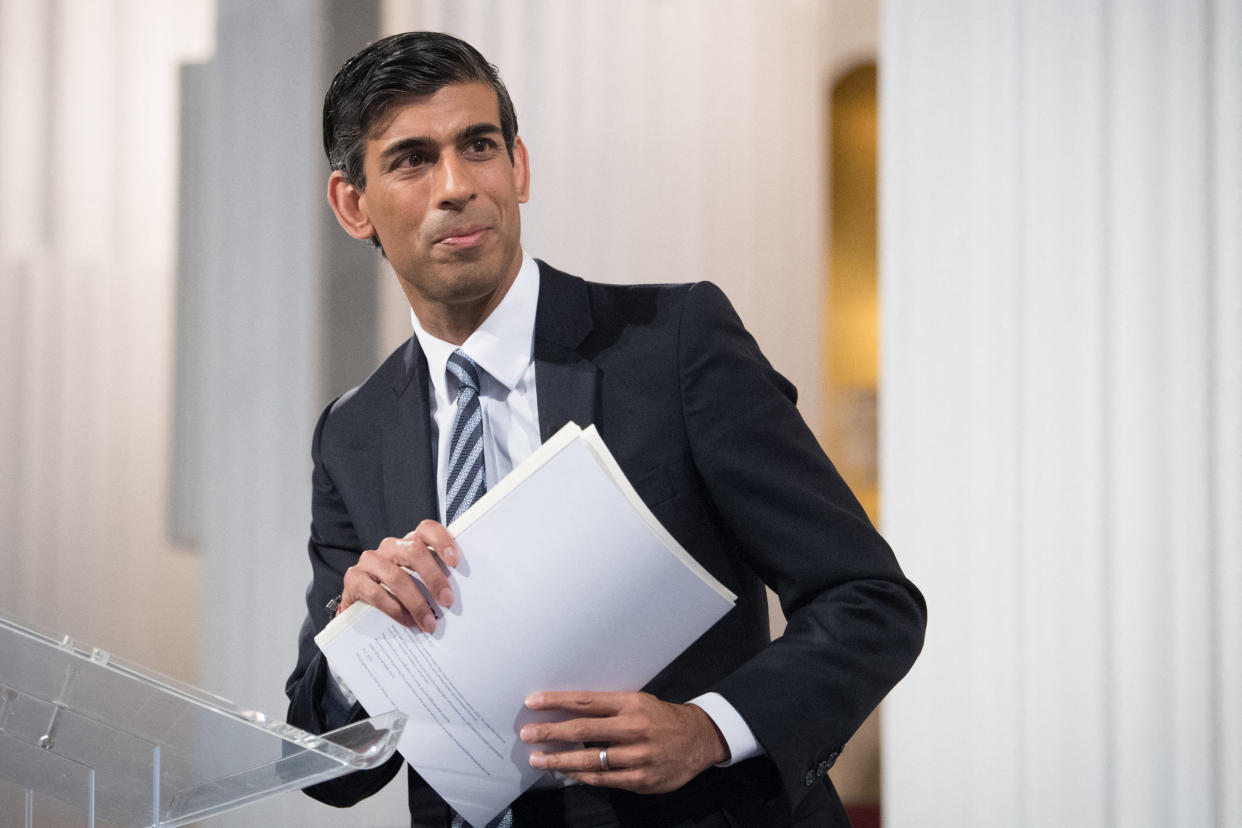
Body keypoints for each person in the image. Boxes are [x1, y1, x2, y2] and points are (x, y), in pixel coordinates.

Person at [285, 31, 925, 828]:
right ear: (353, 205)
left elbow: (869, 601)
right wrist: (357, 647)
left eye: (478, 146)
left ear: (518, 168)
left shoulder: (676, 343)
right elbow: (327, 767)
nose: (455, 185)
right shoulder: (353, 434)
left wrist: (711, 729)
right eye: (412, 159)